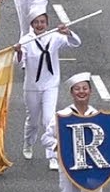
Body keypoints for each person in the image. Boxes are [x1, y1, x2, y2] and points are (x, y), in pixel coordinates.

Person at [19, 13, 81, 169]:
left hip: (51, 85)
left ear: (47, 23)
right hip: (32, 87)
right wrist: (18, 52)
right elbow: (19, 61)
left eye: (43, 22)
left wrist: (68, 32)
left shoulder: (55, 36)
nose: (40, 25)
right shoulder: (26, 40)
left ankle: (52, 155)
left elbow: (76, 43)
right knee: (33, 121)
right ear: (32, 24)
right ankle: (28, 143)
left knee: (49, 120)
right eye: (36, 22)